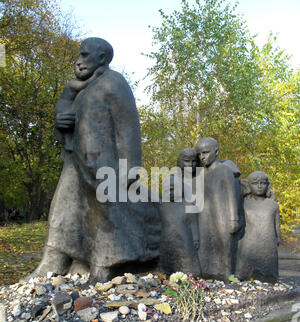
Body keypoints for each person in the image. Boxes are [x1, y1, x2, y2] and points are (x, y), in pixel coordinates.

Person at [32, 37, 160, 282]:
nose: (79, 62)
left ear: (101, 58)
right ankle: (53, 262)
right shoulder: (80, 89)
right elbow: (67, 125)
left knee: (105, 215)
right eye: (79, 56)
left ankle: (104, 265)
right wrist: (62, 124)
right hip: (75, 163)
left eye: (84, 55)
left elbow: (128, 126)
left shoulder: (114, 82)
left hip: (104, 164)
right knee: (62, 208)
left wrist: (130, 167)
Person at [195, 137, 240, 281]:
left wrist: (234, 219)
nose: (202, 157)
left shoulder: (224, 171)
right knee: (205, 245)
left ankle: (225, 274)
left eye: (205, 153)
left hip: (222, 215)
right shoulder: (200, 174)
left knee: (223, 244)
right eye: (200, 154)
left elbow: (232, 195)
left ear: (216, 151)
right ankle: (207, 273)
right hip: (204, 216)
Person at [158, 148, 201, 276]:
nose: (190, 165)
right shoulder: (173, 179)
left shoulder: (200, 176)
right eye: (187, 161)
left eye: (194, 161)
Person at [235, 171, 280, 283]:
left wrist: (278, 238)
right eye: (255, 183)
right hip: (247, 244)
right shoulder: (243, 203)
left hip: (268, 245)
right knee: (244, 272)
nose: (259, 186)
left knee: (269, 275)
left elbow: (276, 225)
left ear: (267, 185)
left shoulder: (273, 205)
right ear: (249, 185)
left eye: (263, 183)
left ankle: (269, 277)